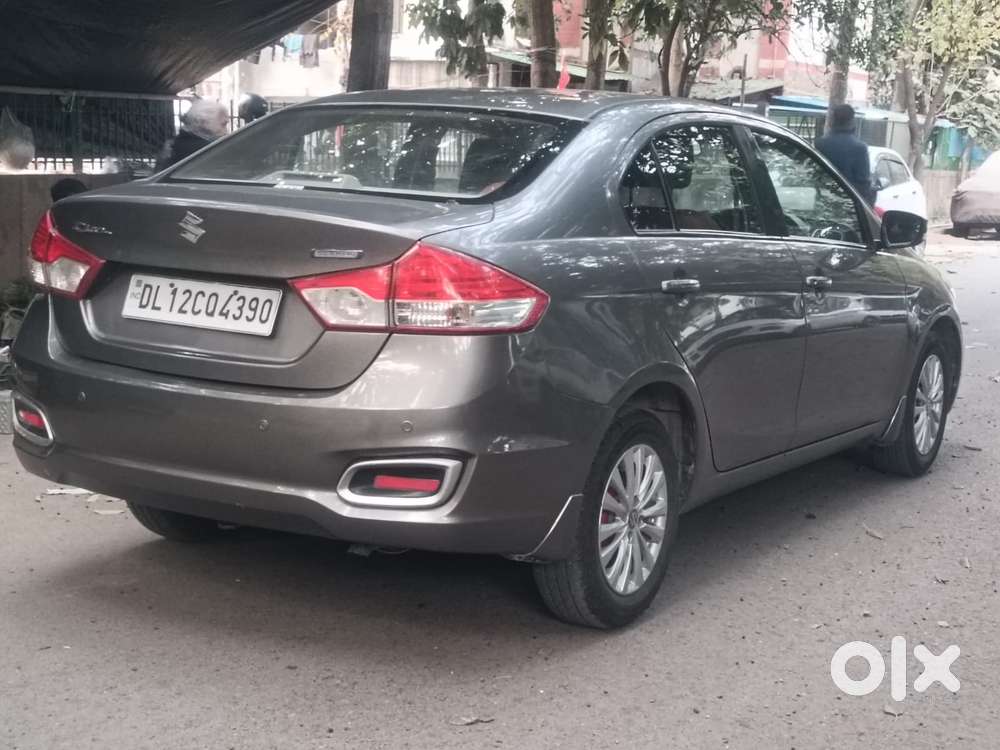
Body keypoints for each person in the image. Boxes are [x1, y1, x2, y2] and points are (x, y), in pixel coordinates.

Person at [816, 104, 876, 205]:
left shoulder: (819, 144)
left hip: (823, 203)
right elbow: (863, 184)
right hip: (847, 207)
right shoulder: (859, 148)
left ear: (832, 121)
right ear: (852, 121)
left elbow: (815, 176)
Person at [155, 99, 229, 171]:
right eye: (223, 124)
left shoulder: (177, 143)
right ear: (202, 122)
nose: (226, 131)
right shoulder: (206, 149)